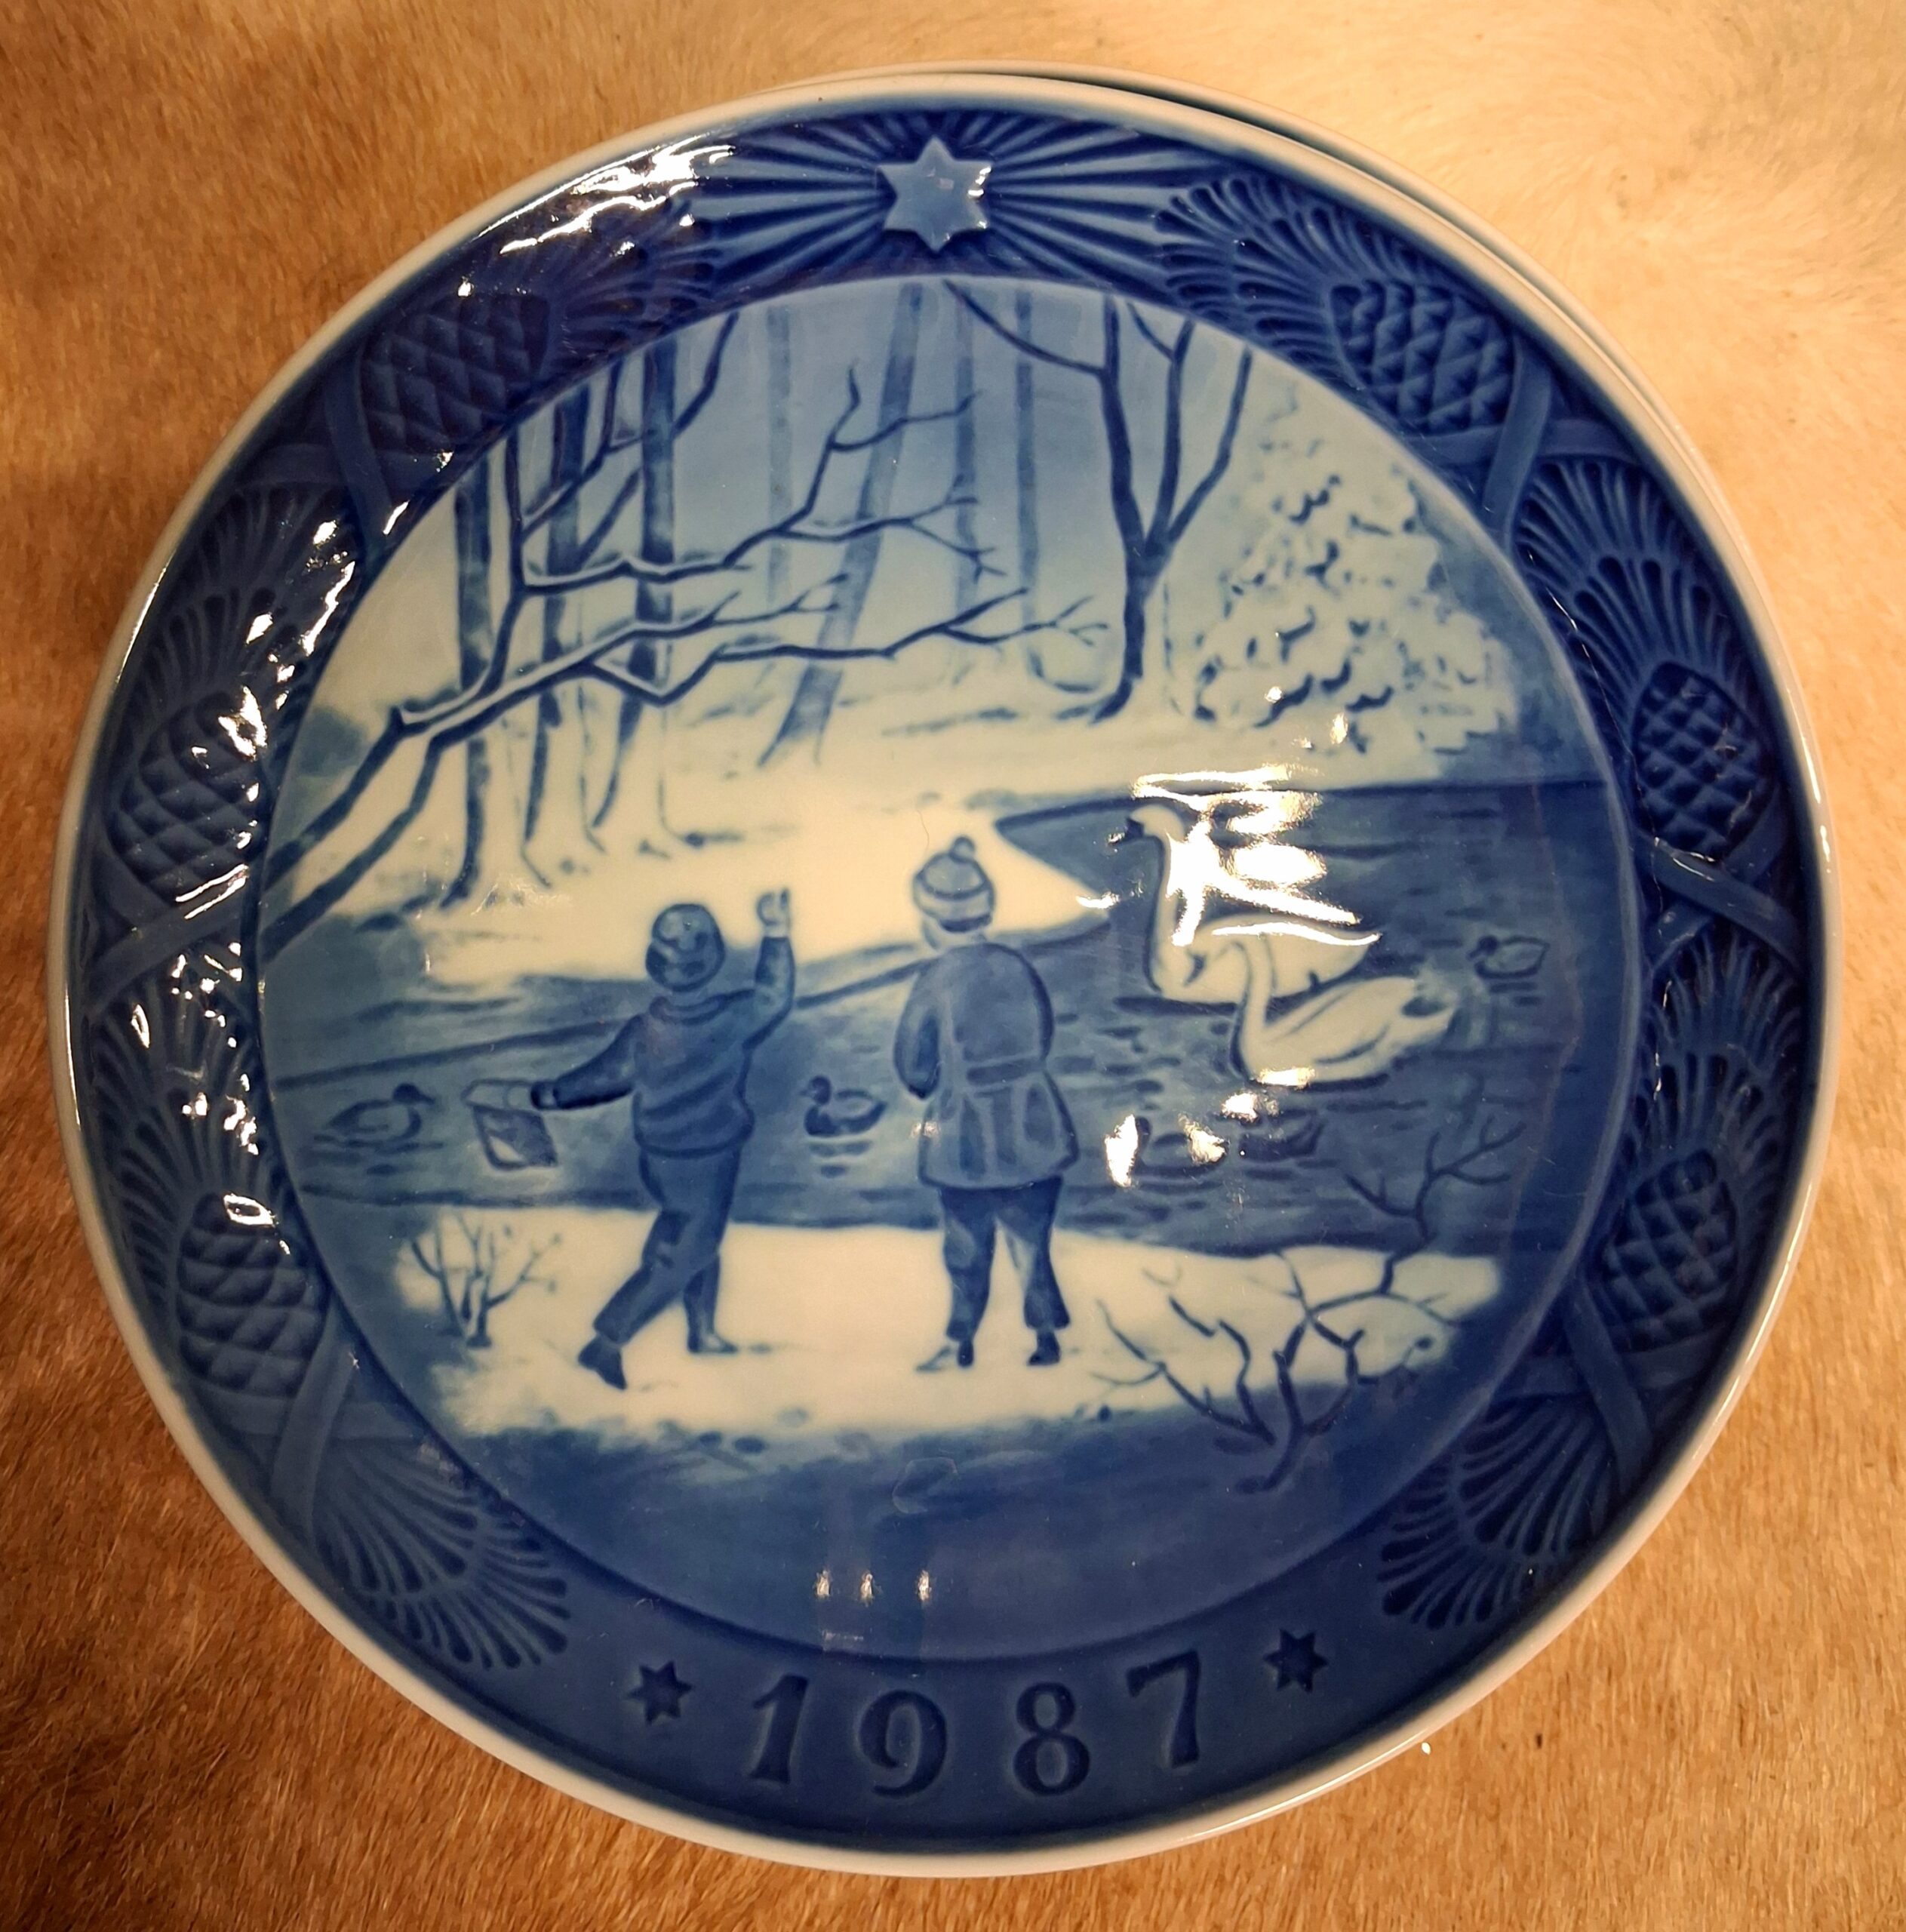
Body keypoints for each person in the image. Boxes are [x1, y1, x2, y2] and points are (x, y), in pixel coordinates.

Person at [516, 891, 795, 1387]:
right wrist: (776, 934)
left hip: (661, 1158)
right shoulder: (734, 1017)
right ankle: (607, 1341)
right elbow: (774, 996)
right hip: (708, 1159)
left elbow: (600, 1078)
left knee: (696, 1239)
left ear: (655, 965)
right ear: (715, 961)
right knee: (684, 1250)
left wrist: (551, 1095)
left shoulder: (642, 1033)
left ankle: (702, 1333)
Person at [893, 838, 1077, 1371]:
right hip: (1034, 1124)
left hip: (963, 1138)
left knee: (966, 1246)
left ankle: (961, 1341)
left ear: (932, 921)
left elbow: (913, 1063)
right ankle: (1045, 1337)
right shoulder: (1017, 967)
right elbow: (1043, 1036)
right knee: (1031, 1241)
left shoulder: (934, 980)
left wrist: (929, 1087)